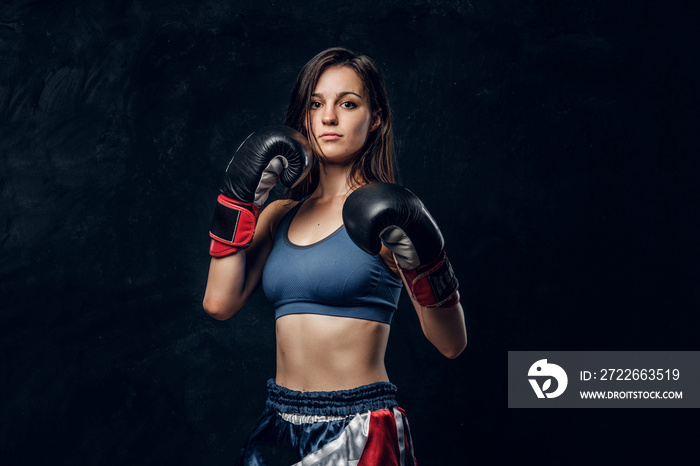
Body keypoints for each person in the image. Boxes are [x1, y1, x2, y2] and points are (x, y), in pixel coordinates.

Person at [203, 47, 467, 465]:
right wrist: (241, 203)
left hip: (359, 427)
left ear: (375, 118)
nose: (328, 118)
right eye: (315, 103)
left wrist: (427, 262)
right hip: (279, 424)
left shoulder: (386, 217)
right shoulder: (278, 215)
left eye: (347, 103)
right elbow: (218, 304)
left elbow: (451, 344)